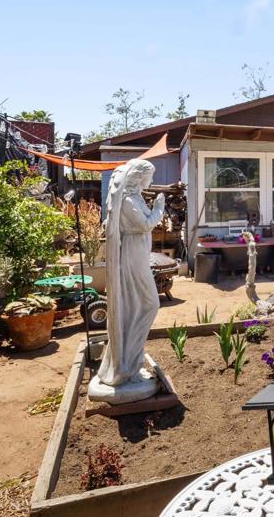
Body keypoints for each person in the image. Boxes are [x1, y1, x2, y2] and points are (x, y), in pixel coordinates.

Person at [88, 159, 165, 404]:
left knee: (137, 305)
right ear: (138, 178)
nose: (151, 181)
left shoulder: (136, 199)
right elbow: (145, 225)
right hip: (132, 256)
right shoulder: (129, 202)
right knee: (150, 304)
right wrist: (160, 208)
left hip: (138, 254)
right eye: (149, 176)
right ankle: (126, 361)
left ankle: (129, 361)